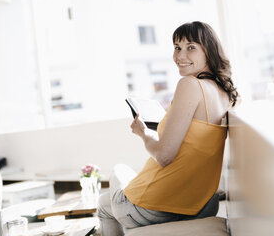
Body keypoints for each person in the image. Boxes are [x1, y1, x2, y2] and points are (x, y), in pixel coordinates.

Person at [97, 21, 238, 236]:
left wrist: (144, 134)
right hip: (202, 203)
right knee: (110, 199)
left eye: (191, 47)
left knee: (115, 175)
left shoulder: (190, 85)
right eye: (177, 48)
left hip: (160, 204)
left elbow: (164, 156)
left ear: (208, 50)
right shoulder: (223, 92)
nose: (180, 56)